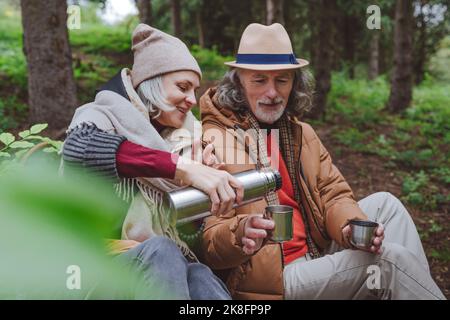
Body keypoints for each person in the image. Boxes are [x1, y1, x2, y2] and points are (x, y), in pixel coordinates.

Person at [198, 23, 445, 300]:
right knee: (387, 261)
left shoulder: (301, 134)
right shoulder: (216, 140)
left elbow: (333, 195)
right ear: (239, 81)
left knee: (388, 205)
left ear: (295, 83)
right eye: (259, 80)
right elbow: (209, 243)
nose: (272, 93)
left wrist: (349, 226)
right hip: (276, 280)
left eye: (282, 80)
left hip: (315, 253)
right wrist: (240, 232)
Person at [62, 24, 243, 299]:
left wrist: (201, 198)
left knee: (199, 274)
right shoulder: (100, 115)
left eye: (195, 90)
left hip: (156, 269)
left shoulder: (185, 141)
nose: (192, 100)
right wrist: (184, 169)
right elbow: (81, 148)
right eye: (183, 87)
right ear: (151, 84)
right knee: (162, 250)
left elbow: (188, 236)